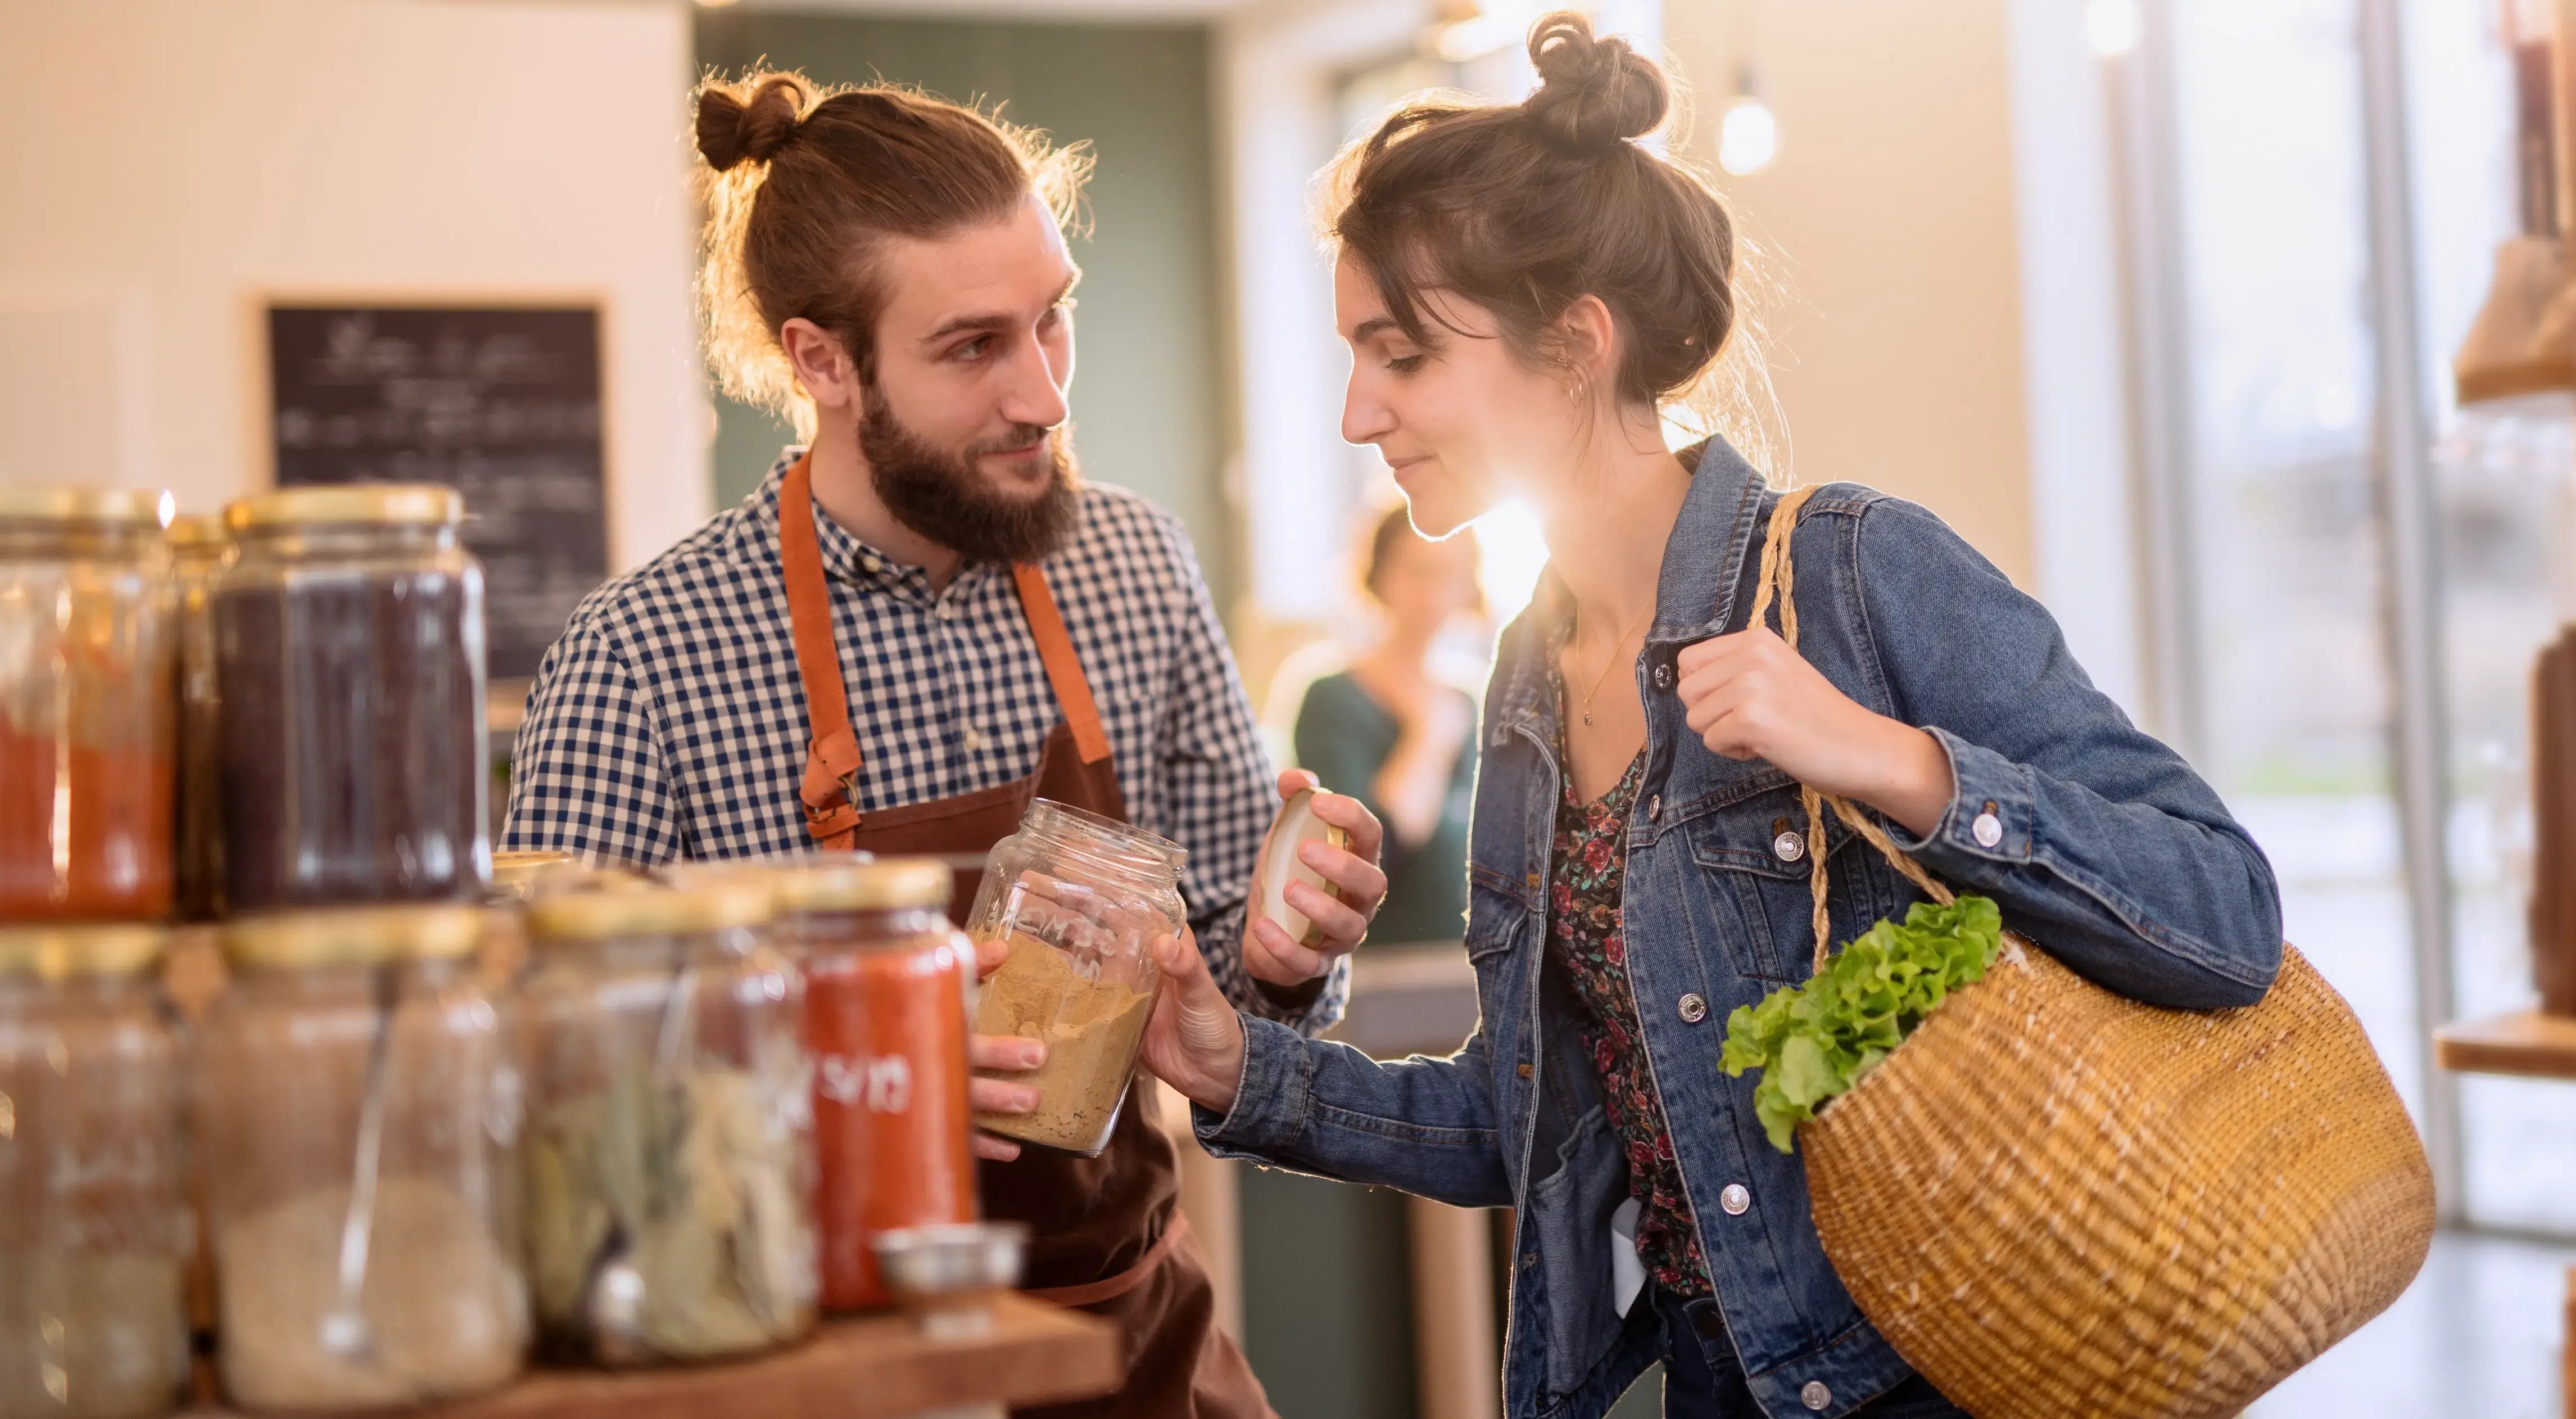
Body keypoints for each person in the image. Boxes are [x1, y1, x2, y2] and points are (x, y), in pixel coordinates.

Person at [1135, 15, 2284, 1419]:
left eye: (1402, 355)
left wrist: (1896, 764)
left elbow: (2225, 912)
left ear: (1572, 347)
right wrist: (1236, 1065)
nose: (1356, 412)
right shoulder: (1524, 686)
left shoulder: (1856, 570)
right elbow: (1545, 1121)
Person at [502, 73, 1388, 1419]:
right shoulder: (642, 655)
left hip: (1134, 1334)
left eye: (1055, 318)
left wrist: (1278, 955)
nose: (1042, 394)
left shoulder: (1133, 565)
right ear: (821, 362)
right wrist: (846, 1066)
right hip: (823, 1367)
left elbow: (1214, 978)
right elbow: (543, 1081)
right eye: (974, 346)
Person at [1291, 514, 1482, 945]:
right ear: (1379, 573)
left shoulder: (1471, 703)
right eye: (1417, 570)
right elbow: (1371, 854)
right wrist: (1427, 735)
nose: (1433, 593)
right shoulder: (1333, 698)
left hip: (1461, 958)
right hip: (1377, 962)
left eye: (1451, 574)